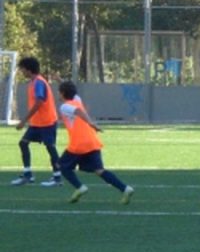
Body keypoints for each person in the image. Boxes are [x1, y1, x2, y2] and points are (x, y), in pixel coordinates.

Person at [55, 81, 134, 205]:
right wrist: (60, 80)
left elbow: (78, 112)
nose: (57, 94)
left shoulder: (65, 106)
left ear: (63, 93)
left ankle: (80, 187)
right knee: (99, 170)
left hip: (78, 144)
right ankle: (125, 189)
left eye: (59, 91)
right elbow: (72, 93)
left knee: (61, 166)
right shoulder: (78, 99)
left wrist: (91, 123)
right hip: (92, 141)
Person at [11, 56, 62, 187]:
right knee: (23, 143)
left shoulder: (39, 82)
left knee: (50, 147)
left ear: (29, 70)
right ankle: (28, 175)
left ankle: (57, 177)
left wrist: (24, 121)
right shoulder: (34, 82)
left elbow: (39, 102)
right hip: (37, 123)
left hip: (47, 122)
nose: (22, 72)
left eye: (22, 69)